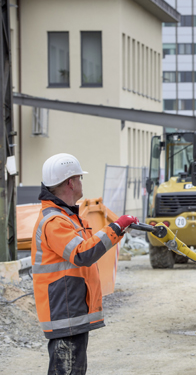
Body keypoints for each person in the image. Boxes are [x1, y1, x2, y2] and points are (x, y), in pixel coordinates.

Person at [31, 153, 139, 375]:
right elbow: (83, 253)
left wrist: (117, 230)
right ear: (70, 182)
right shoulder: (54, 222)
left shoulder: (68, 217)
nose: (81, 183)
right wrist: (116, 228)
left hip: (71, 310)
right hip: (65, 312)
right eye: (80, 178)